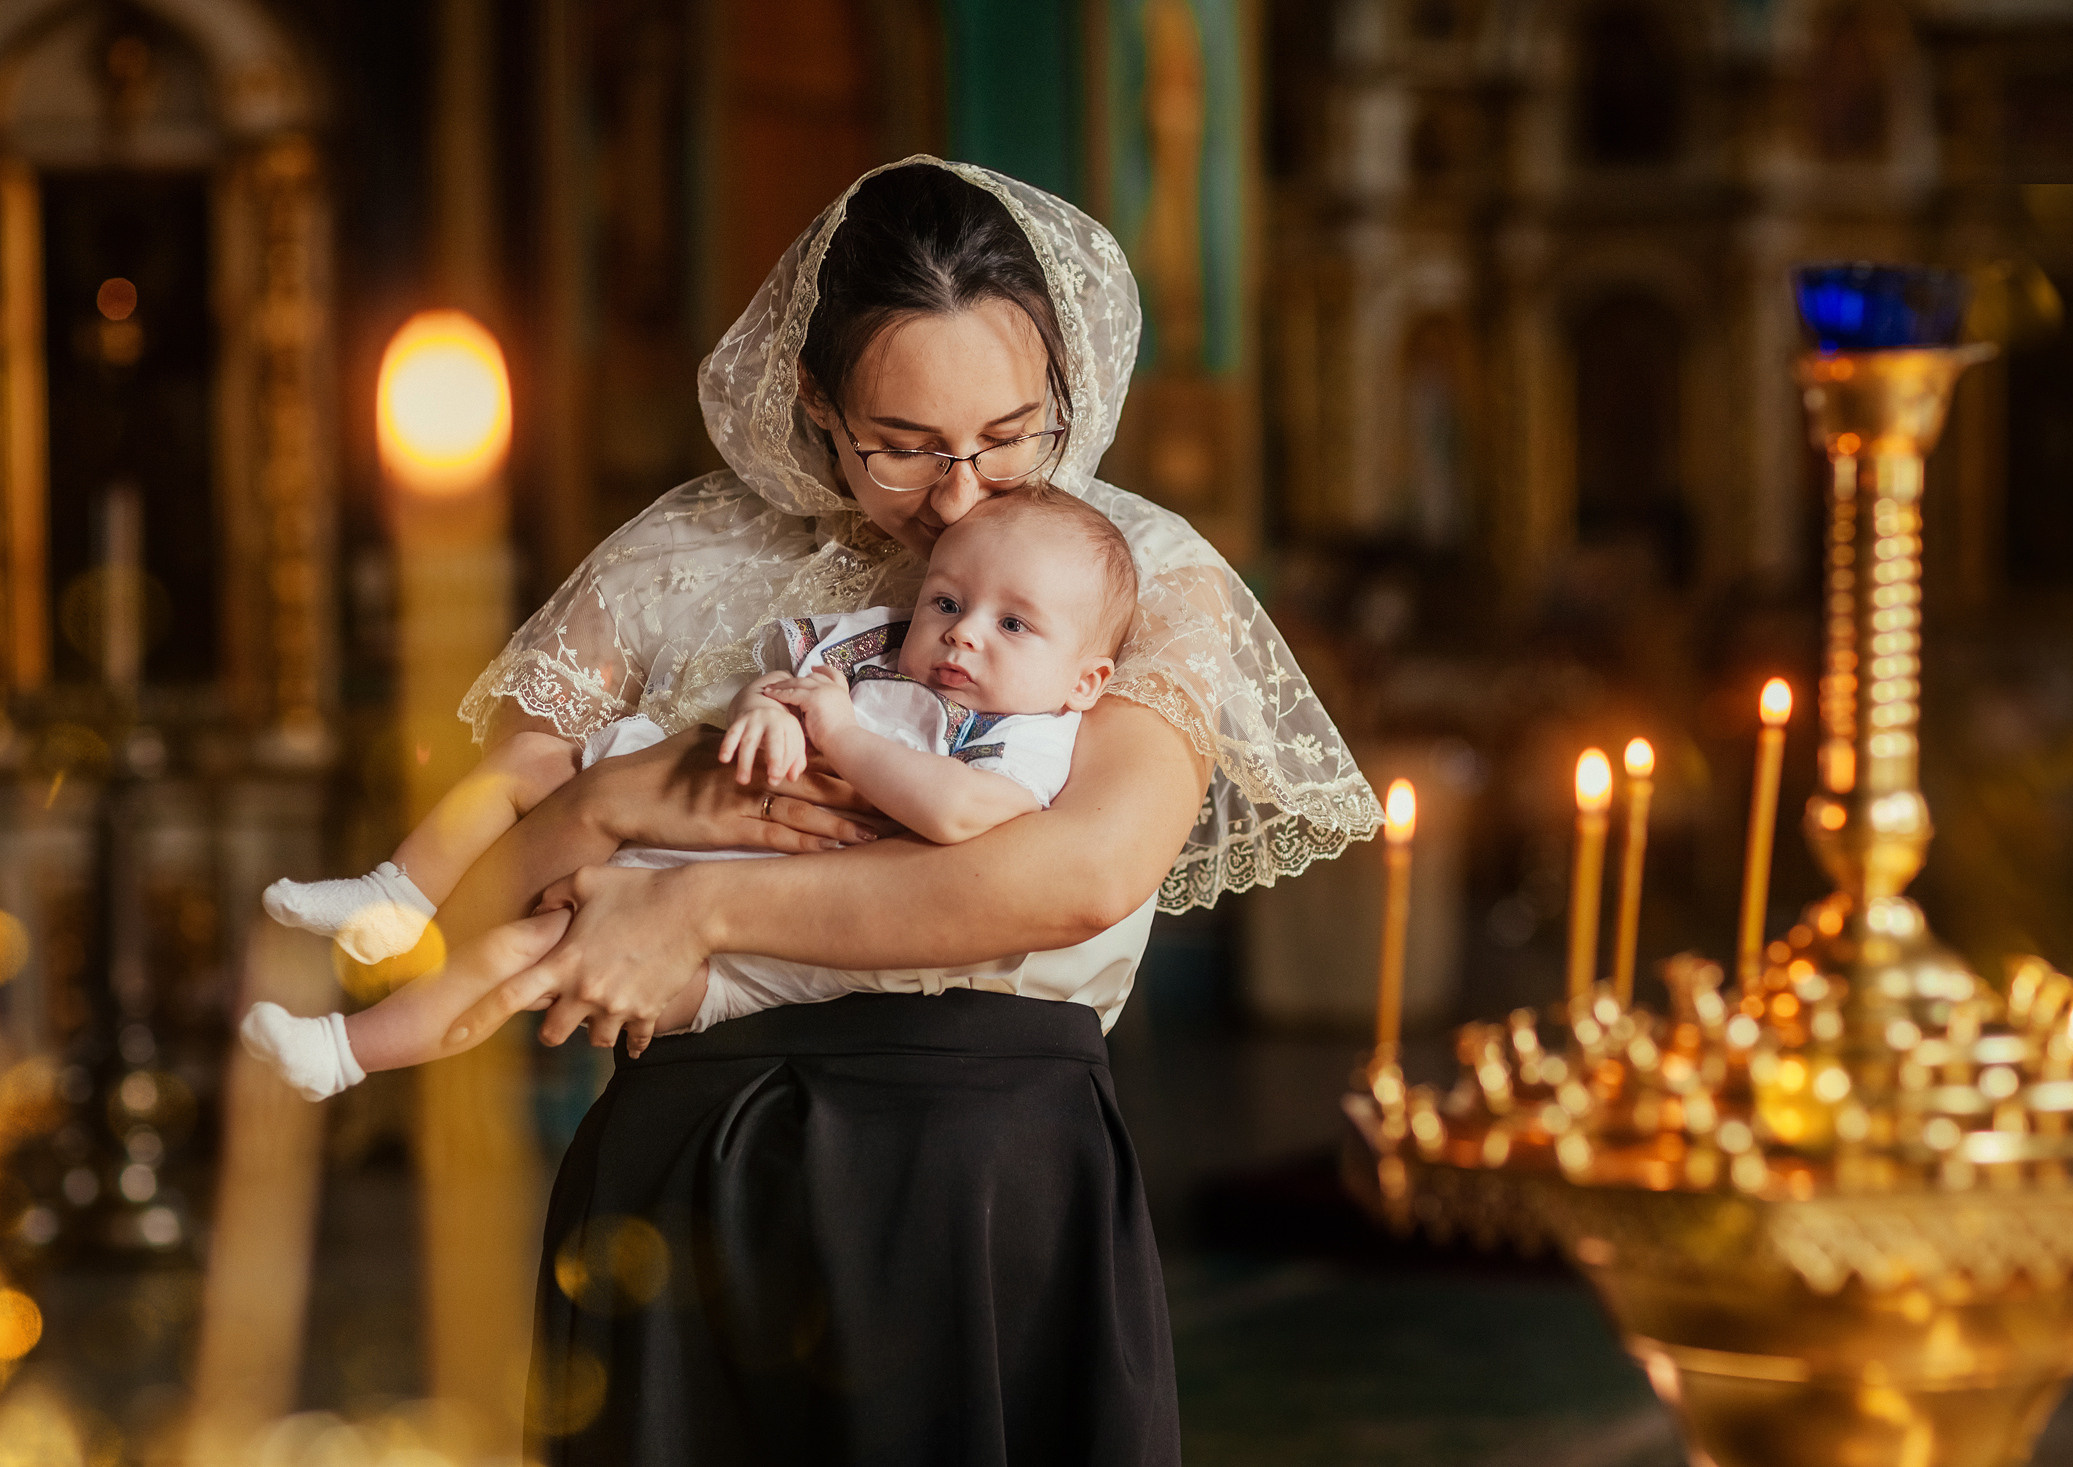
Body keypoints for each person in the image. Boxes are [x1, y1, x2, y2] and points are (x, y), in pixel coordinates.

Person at [361, 158, 1379, 1465]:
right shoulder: (676, 561)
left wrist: (696, 898)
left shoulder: (1144, 575)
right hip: (681, 1169)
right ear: (816, 402)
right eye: (901, 445)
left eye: (1009, 435)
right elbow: (477, 888)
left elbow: (1078, 872)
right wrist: (619, 794)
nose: (958, 494)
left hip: (982, 1169)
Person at [239, 486, 1139, 1099]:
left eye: (1012, 624)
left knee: (527, 957)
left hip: (763, 950)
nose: (961, 636)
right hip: (690, 820)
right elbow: (778, 685)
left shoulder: (1030, 735)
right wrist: (773, 714)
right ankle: (396, 889)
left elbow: (956, 813)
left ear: (1086, 681)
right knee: (524, 770)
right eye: (948, 601)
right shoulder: (881, 648)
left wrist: (843, 735)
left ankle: (345, 1053)